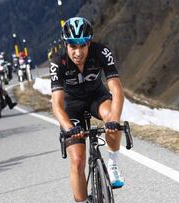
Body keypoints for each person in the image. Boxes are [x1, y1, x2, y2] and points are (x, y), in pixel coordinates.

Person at [50, 17, 125, 203]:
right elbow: (57, 104)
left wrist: (114, 120)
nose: (77, 52)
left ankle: (113, 164)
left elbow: (116, 89)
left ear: (89, 43)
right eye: (72, 46)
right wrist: (68, 128)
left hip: (96, 97)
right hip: (72, 106)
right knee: (77, 161)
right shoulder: (58, 62)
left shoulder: (101, 52)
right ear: (66, 45)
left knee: (111, 118)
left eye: (82, 45)